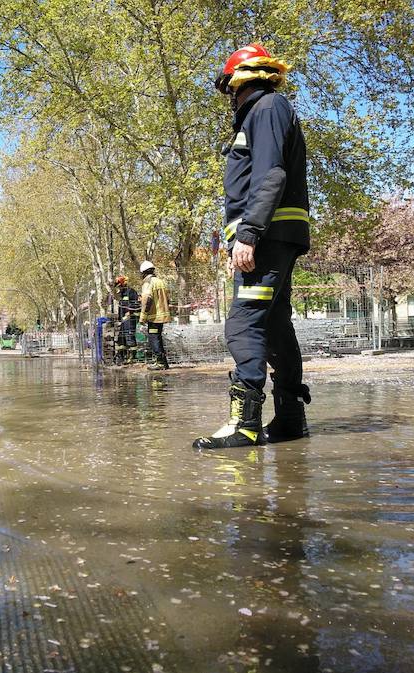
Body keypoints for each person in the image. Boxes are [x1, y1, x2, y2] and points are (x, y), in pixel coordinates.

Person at [193, 44, 311, 450]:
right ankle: (291, 419)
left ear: (236, 85)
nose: (231, 99)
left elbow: (271, 175)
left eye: (230, 91)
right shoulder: (270, 111)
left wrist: (248, 235)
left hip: (268, 237)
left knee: (244, 323)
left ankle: (243, 424)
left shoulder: (266, 110)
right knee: (275, 325)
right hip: (275, 236)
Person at [138, 260, 170, 370]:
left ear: (144, 272)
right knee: (158, 338)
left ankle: (160, 363)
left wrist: (143, 316)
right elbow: (167, 298)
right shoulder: (160, 281)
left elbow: (147, 299)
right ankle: (163, 363)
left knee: (153, 338)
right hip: (162, 315)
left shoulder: (148, 283)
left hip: (154, 317)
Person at [113, 275, 139, 365]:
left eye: (119, 286)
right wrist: (119, 318)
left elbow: (135, 304)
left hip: (130, 318)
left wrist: (129, 313)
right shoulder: (122, 294)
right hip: (124, 320)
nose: (118, 288)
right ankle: (121, 356)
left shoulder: (131, 292)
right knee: (121, 338)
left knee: (129, 336)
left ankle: (132, 357)